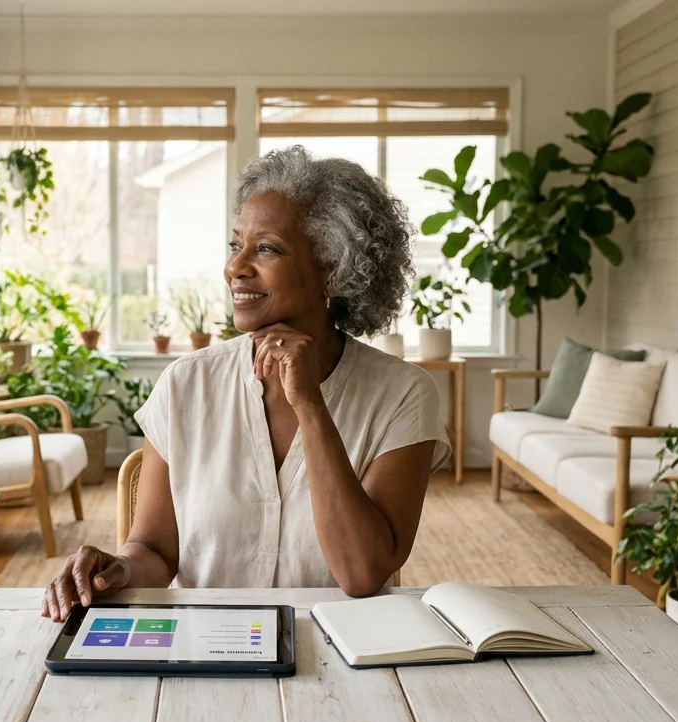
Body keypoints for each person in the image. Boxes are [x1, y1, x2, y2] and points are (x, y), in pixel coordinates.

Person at [42, 145, 450, 622]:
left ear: (335, 270)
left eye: (267, 248)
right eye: (236, 245)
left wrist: (309, 405)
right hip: (208, 654)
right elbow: (153, 549)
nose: (236, 267)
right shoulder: (185, 385)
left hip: (344, 659)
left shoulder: (403, 394)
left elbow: (362, 572)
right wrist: (120, 569)